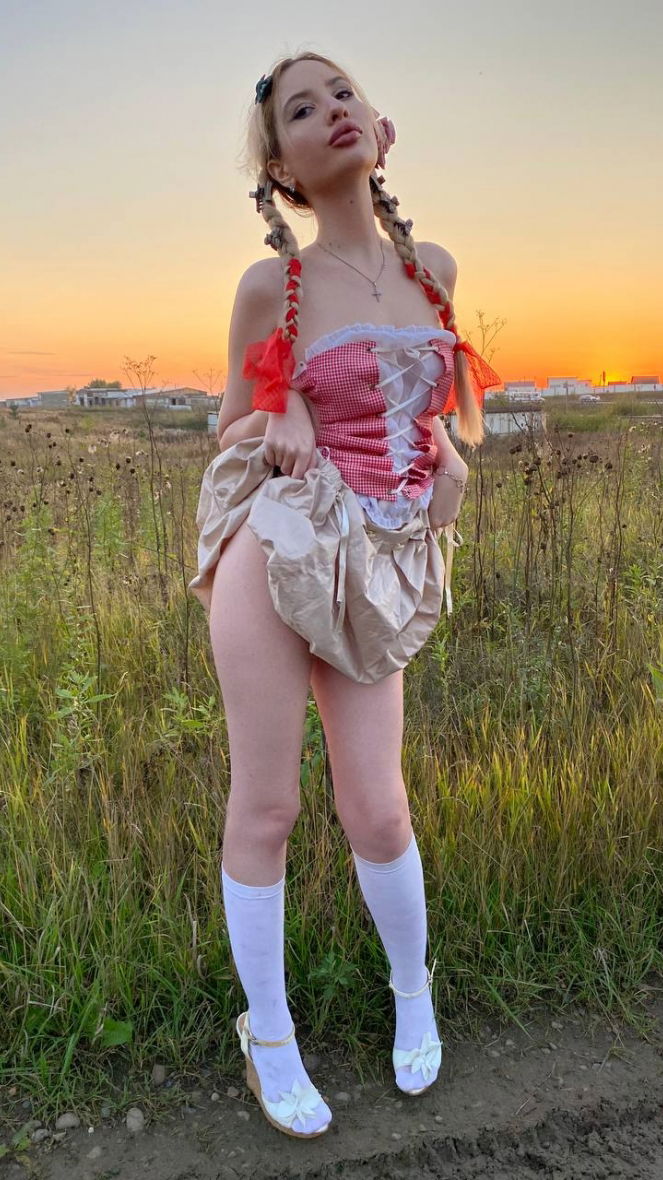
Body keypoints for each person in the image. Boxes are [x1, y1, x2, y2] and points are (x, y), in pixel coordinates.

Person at [187, 52, 500, 1139]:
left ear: (381, 126)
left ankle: (413, 992)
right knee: (267, 805)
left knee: (378, 806)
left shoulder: (434, 267)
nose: (330, 113)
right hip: (277, 546)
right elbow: (230, 426)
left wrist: (451, 466)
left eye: (341, 95)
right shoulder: (269, 286)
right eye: (300, 109)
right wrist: (279, 412)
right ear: (280, 166)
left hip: (381, 557)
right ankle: (268, 1034)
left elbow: (439, 412)